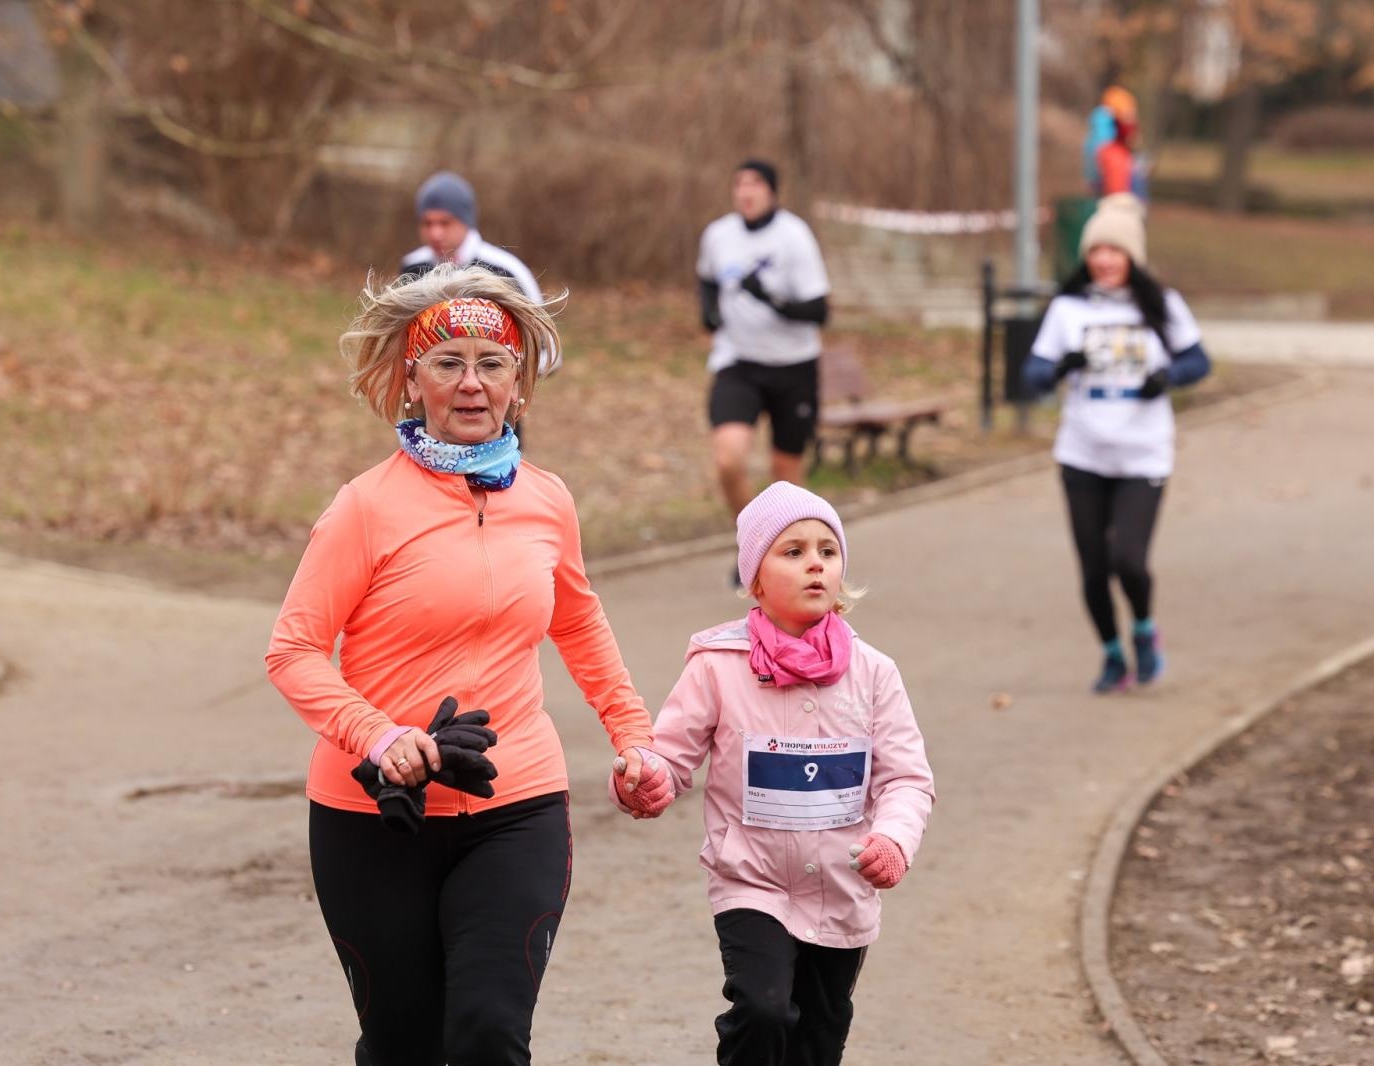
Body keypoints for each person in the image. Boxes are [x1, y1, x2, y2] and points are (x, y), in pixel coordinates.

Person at [265, 264, 662, 1064]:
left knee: (486, 1034)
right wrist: (379, 738)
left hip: (516, 805)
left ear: (520, 384)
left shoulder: (548, 501)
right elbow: (294, 651)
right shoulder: (365, 508)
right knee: (404, 1044)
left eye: (492, 364)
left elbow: (579, 622)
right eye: (448, 363)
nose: (471, 384)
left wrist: (635, 736)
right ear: (412, 381)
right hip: (373, 814)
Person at [615, 482, 935, 1065]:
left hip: (843, 890)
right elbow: (672, 754)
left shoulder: (874, 673)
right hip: (751, 883)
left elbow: (906, 779)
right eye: (792, 552)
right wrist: (649, 777)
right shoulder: (718, 667)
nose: (815, 563)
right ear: (754, 580)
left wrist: (893, 839)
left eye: (827, 551)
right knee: (761, 1011)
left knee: (818, 1036)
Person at [1022, 193, 1212, 693]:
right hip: (1082, 454)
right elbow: (1034, 373)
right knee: (1092, 569)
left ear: (1133, 256)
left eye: (1115, 251)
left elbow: (1199, 361)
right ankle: (1112, 654)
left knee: (1128, 559)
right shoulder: (1068, 309)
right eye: (1096, 251)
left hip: (1143, 453)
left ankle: (1145, 630)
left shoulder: (1162, 306)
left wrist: (1166, 377)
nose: (1104, 260)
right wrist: (1062, 366)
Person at [697, 159, 832, 583]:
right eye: (739, 184)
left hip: (793, 367)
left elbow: (819, 310)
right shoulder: (718, 235)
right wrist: (710, 312)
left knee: (786, 475)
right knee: (728, 459)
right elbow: (706, 281)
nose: (745, 192)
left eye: (755, 184)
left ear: (772, 192)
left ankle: (789, 560)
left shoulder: (794, 237)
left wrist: (771, 299)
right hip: (738, 363)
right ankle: (755, 547)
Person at [400, 171, 559, 376]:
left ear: (466, 221)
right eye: (427, 223)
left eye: (445, 222)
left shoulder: (506, 270)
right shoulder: (412, 267)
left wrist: (500, 375)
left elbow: (549, 353)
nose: (435, 233)